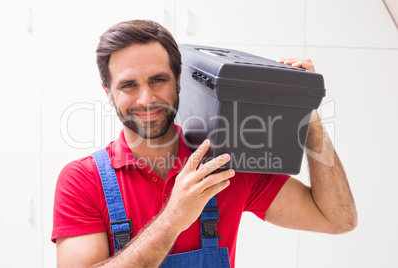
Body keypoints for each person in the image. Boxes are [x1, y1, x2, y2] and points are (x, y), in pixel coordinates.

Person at [52, 20, 357, 268]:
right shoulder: (83, 181)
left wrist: (307, 113)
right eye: (129, 85)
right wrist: (173, 219)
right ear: (108, 92)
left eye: (158, 80)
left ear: (179, 80)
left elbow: (337, 218)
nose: (146, 99)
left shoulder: (225, 162)